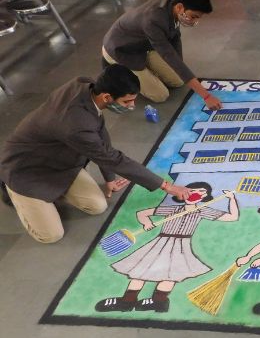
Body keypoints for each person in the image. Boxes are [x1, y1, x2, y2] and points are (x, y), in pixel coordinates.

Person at [0, 65, 191, 243]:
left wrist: (109, 178)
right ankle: (14, 192)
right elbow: (112, 157)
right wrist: (166, 186)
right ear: (107, 97)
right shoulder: (76, 125)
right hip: (26, 170)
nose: (132, 106)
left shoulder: (85, 85)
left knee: (97, 206)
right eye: (127, 101)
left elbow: (99, 133)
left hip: (61, 161)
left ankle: (54, 192)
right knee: (51, 235)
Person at [96, 183, 239, 313]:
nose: (195, 194)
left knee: (171, 273)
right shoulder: (173, 209)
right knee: (141, 269)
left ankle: (159, 302)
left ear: (205, 197)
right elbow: (142, 213)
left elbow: (232, 217)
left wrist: (231, 199)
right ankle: (127, 301)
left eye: (201, 192)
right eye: (192, 191)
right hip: (161, 242)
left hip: (181, 245)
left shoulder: (202, 211)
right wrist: (146, 223)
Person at [101, 0, 222, 110]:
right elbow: (169, 55)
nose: (194, 21)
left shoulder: (172, 6)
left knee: (178, 80)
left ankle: (147, 71)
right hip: (122, 51)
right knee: (160, 95)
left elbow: (175, 38)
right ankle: (122, 73)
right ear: (180, 7)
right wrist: (206, 96)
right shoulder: (153, 20)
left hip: (144, 45)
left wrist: (179, 65)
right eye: (193, 16)